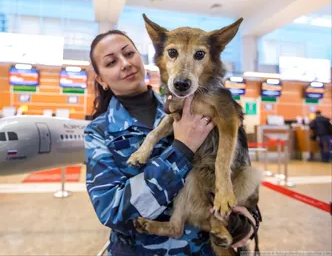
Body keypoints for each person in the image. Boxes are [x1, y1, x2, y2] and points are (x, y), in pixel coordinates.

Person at [84, 30, 260, 255]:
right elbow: (112, 212)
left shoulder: (191, 102)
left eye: (129, 53)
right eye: (111, 62)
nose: (126, 63)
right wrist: (181, 149)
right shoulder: (99, 132)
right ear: (101, 80)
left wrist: (248, 217)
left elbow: (239, 164)